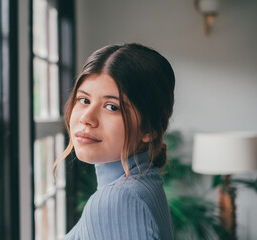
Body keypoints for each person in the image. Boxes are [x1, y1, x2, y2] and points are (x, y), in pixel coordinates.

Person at [54, 43, 175, 240]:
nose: (87, 118)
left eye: (112, 107)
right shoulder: (145, 184)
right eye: (84, 100)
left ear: (150, 129)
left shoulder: (118, 199)